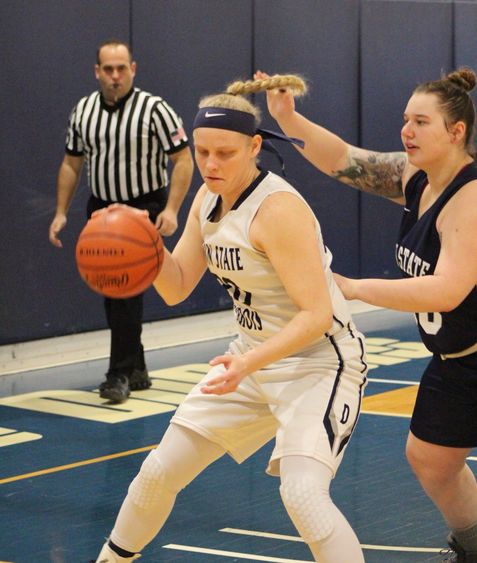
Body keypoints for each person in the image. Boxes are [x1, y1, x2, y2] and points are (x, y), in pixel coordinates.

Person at [92, 77, 368, 563]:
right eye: (201, 152)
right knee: (159, 471)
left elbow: (315, 314)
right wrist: (139, 239)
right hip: (251, 358)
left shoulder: (277, 209)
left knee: (302, 496)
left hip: (320, 362)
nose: (211, 164)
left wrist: (247, 363)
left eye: (225, 153)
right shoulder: (205, 200)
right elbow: (176, 287)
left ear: (255, 147)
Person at [257, 67, 477, 561]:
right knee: (431, 461)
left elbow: (446, 291)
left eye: (421, 122)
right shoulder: (416, 178)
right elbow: (342, 160)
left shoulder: (472, 198)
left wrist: (355, 288)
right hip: (457, 358)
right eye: (405, 120)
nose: (407, 131)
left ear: (456, 131)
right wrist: (288, 117)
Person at [48, 40, 194, 404]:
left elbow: (184, 160)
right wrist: (61, 212)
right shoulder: (83, 111)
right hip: (102, 208)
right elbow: (71, 163)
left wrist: (172, 209)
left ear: (133, 69)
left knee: (124, 290)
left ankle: (118, 375)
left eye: (121, 68)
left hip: (145, 205)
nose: (115, 76)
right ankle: (137, 368)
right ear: (97, 71)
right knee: (115, 291)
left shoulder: (155, 110)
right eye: (108, 69)